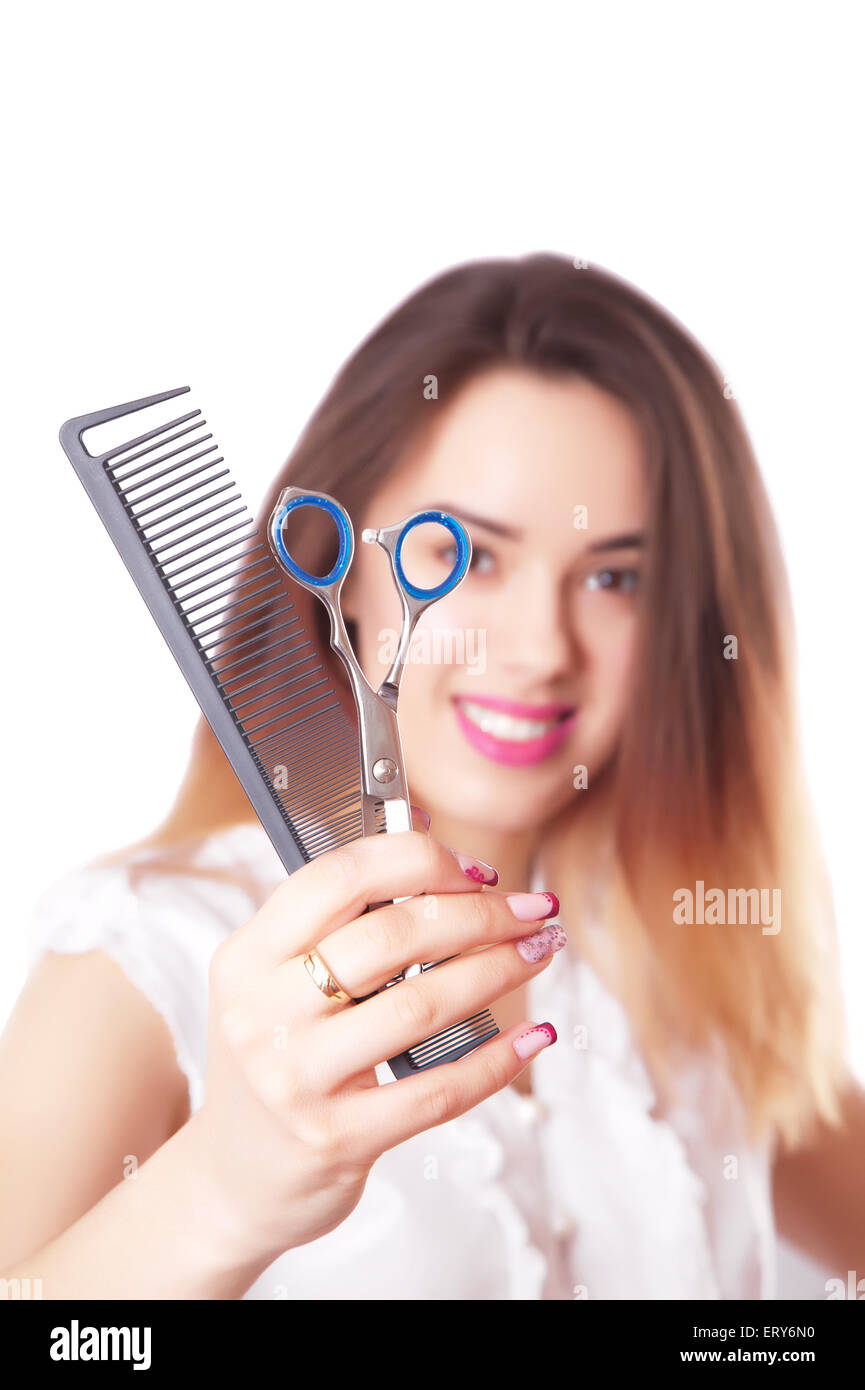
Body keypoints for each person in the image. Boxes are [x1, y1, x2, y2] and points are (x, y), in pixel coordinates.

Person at [1, 253, 862, 1300]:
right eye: (474, 553)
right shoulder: (143, 960)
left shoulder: (700, 960)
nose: (543, 647)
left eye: (614, 576)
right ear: (343, 567)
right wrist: (217, 1195)